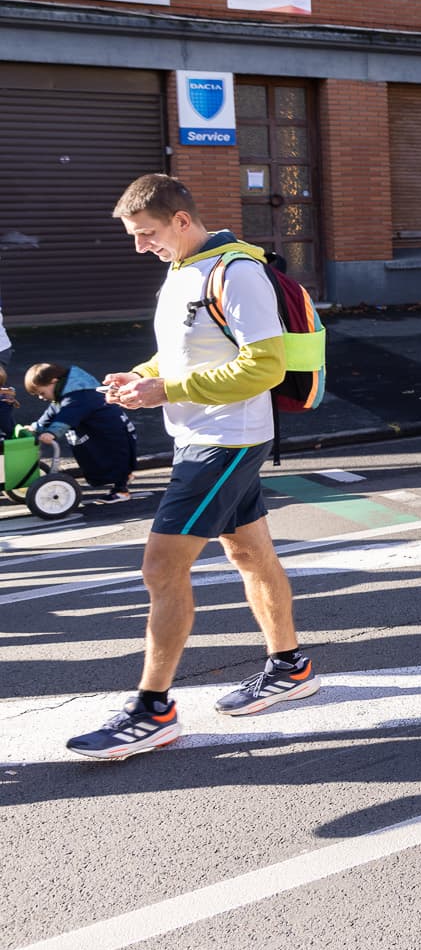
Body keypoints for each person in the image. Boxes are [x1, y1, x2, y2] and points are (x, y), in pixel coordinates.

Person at [66, 175, 317, 761]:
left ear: (182, 220)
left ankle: (153, 709)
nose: (139, 246)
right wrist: (142, 374)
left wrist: (167, 388)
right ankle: (291, 667)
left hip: (225, 442)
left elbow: (267, 366)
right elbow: (185, 350)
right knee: (249, 552)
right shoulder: (182, 270)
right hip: (200, 435)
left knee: (160, 568)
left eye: (146, 233)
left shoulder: (237, 273)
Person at [23, 362, 139, 500]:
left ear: (54, 382)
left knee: (113, 458)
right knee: (100, 459)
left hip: (109, 433)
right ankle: (124, 477)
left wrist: (52, 433)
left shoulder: (79, 396)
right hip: (98, 433)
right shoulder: (65, 396)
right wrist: (37, 427)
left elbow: (67, 416)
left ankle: (121, 490)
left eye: (41, 393)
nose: (41, 397)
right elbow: (52, 412)